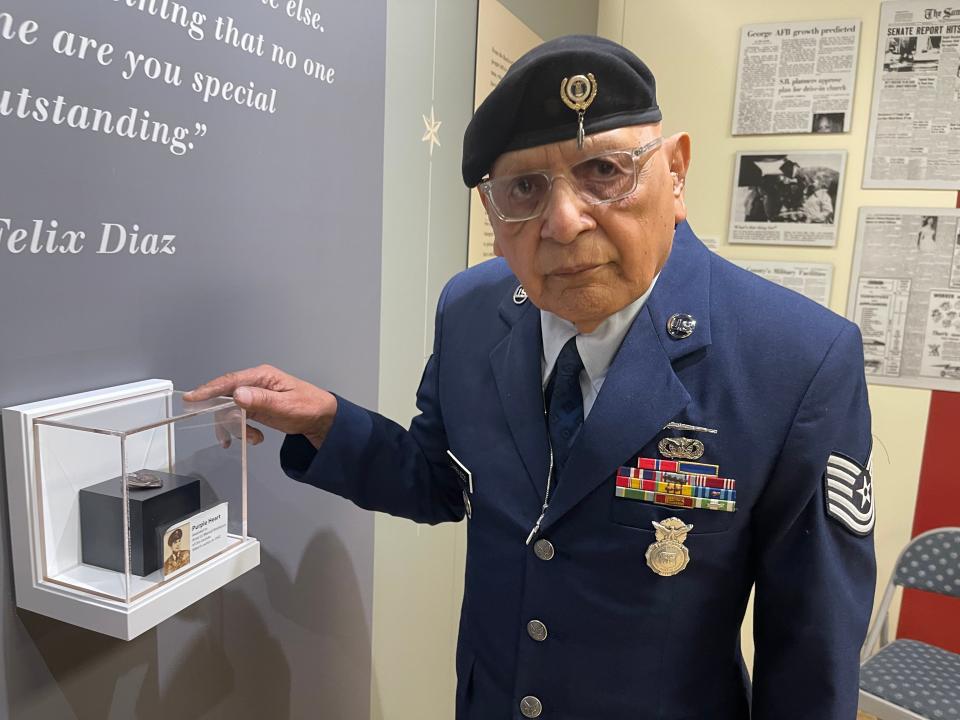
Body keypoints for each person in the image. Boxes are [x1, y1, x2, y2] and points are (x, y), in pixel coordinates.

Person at [187, 35, 875, 720]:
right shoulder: (472, 310)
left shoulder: (796, 360)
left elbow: (810, 657)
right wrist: (326, 421)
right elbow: (438, 479)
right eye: (524, 188)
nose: (564, 221)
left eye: (604, 170)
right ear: (491, 212)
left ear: (676, 173)